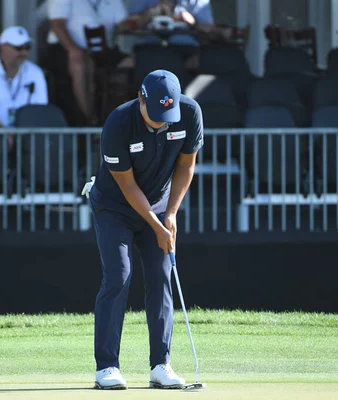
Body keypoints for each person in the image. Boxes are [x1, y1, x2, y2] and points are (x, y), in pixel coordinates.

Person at [81, 69, 203, 390]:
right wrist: (156, 224)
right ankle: (107, 367)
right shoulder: (119, 123)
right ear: (140, 99)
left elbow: (186, 165)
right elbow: (126, 185)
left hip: (160, 204)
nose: (162, 122)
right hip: (114, 206)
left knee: (161, 275)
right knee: (119, 275)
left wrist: (172, 214)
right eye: (156, 114)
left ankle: (160, 364)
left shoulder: (189, 114)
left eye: (168, 115)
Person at [47, 0, 132, 126]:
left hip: (103, 50)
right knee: (80, 61)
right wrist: (73, 49)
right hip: (66, 48)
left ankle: (122, 115)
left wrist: (147, 14)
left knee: (134, 62)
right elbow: (57, 25)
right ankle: (88, 119)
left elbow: (124, 24)